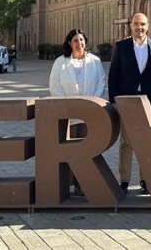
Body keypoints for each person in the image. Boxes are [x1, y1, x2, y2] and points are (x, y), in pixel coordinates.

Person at [108, 12, 151, 195]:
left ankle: (146, 179)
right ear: (131, 25)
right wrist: (113, 100)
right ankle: (124, 180)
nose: (140, 27)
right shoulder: (121, 46)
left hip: (148, 101)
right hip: (126, 100)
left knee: (147, 142)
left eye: (143, 24)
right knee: (126, 142)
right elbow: (113, 75)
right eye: (137, 24)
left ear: (148, 26)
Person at [49, 28, 106, 196]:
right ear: (69, 43)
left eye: (81, 40)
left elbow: (102, 82)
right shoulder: (61, 62)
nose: (79, 43)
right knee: (70, 150)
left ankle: (84, 184)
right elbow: (54, 85)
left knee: (88, 150)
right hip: (69, 114)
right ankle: (67, 185)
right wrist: (68, 105)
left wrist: (91, 104)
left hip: (89, 113)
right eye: (75, 40)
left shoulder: (94, 61)